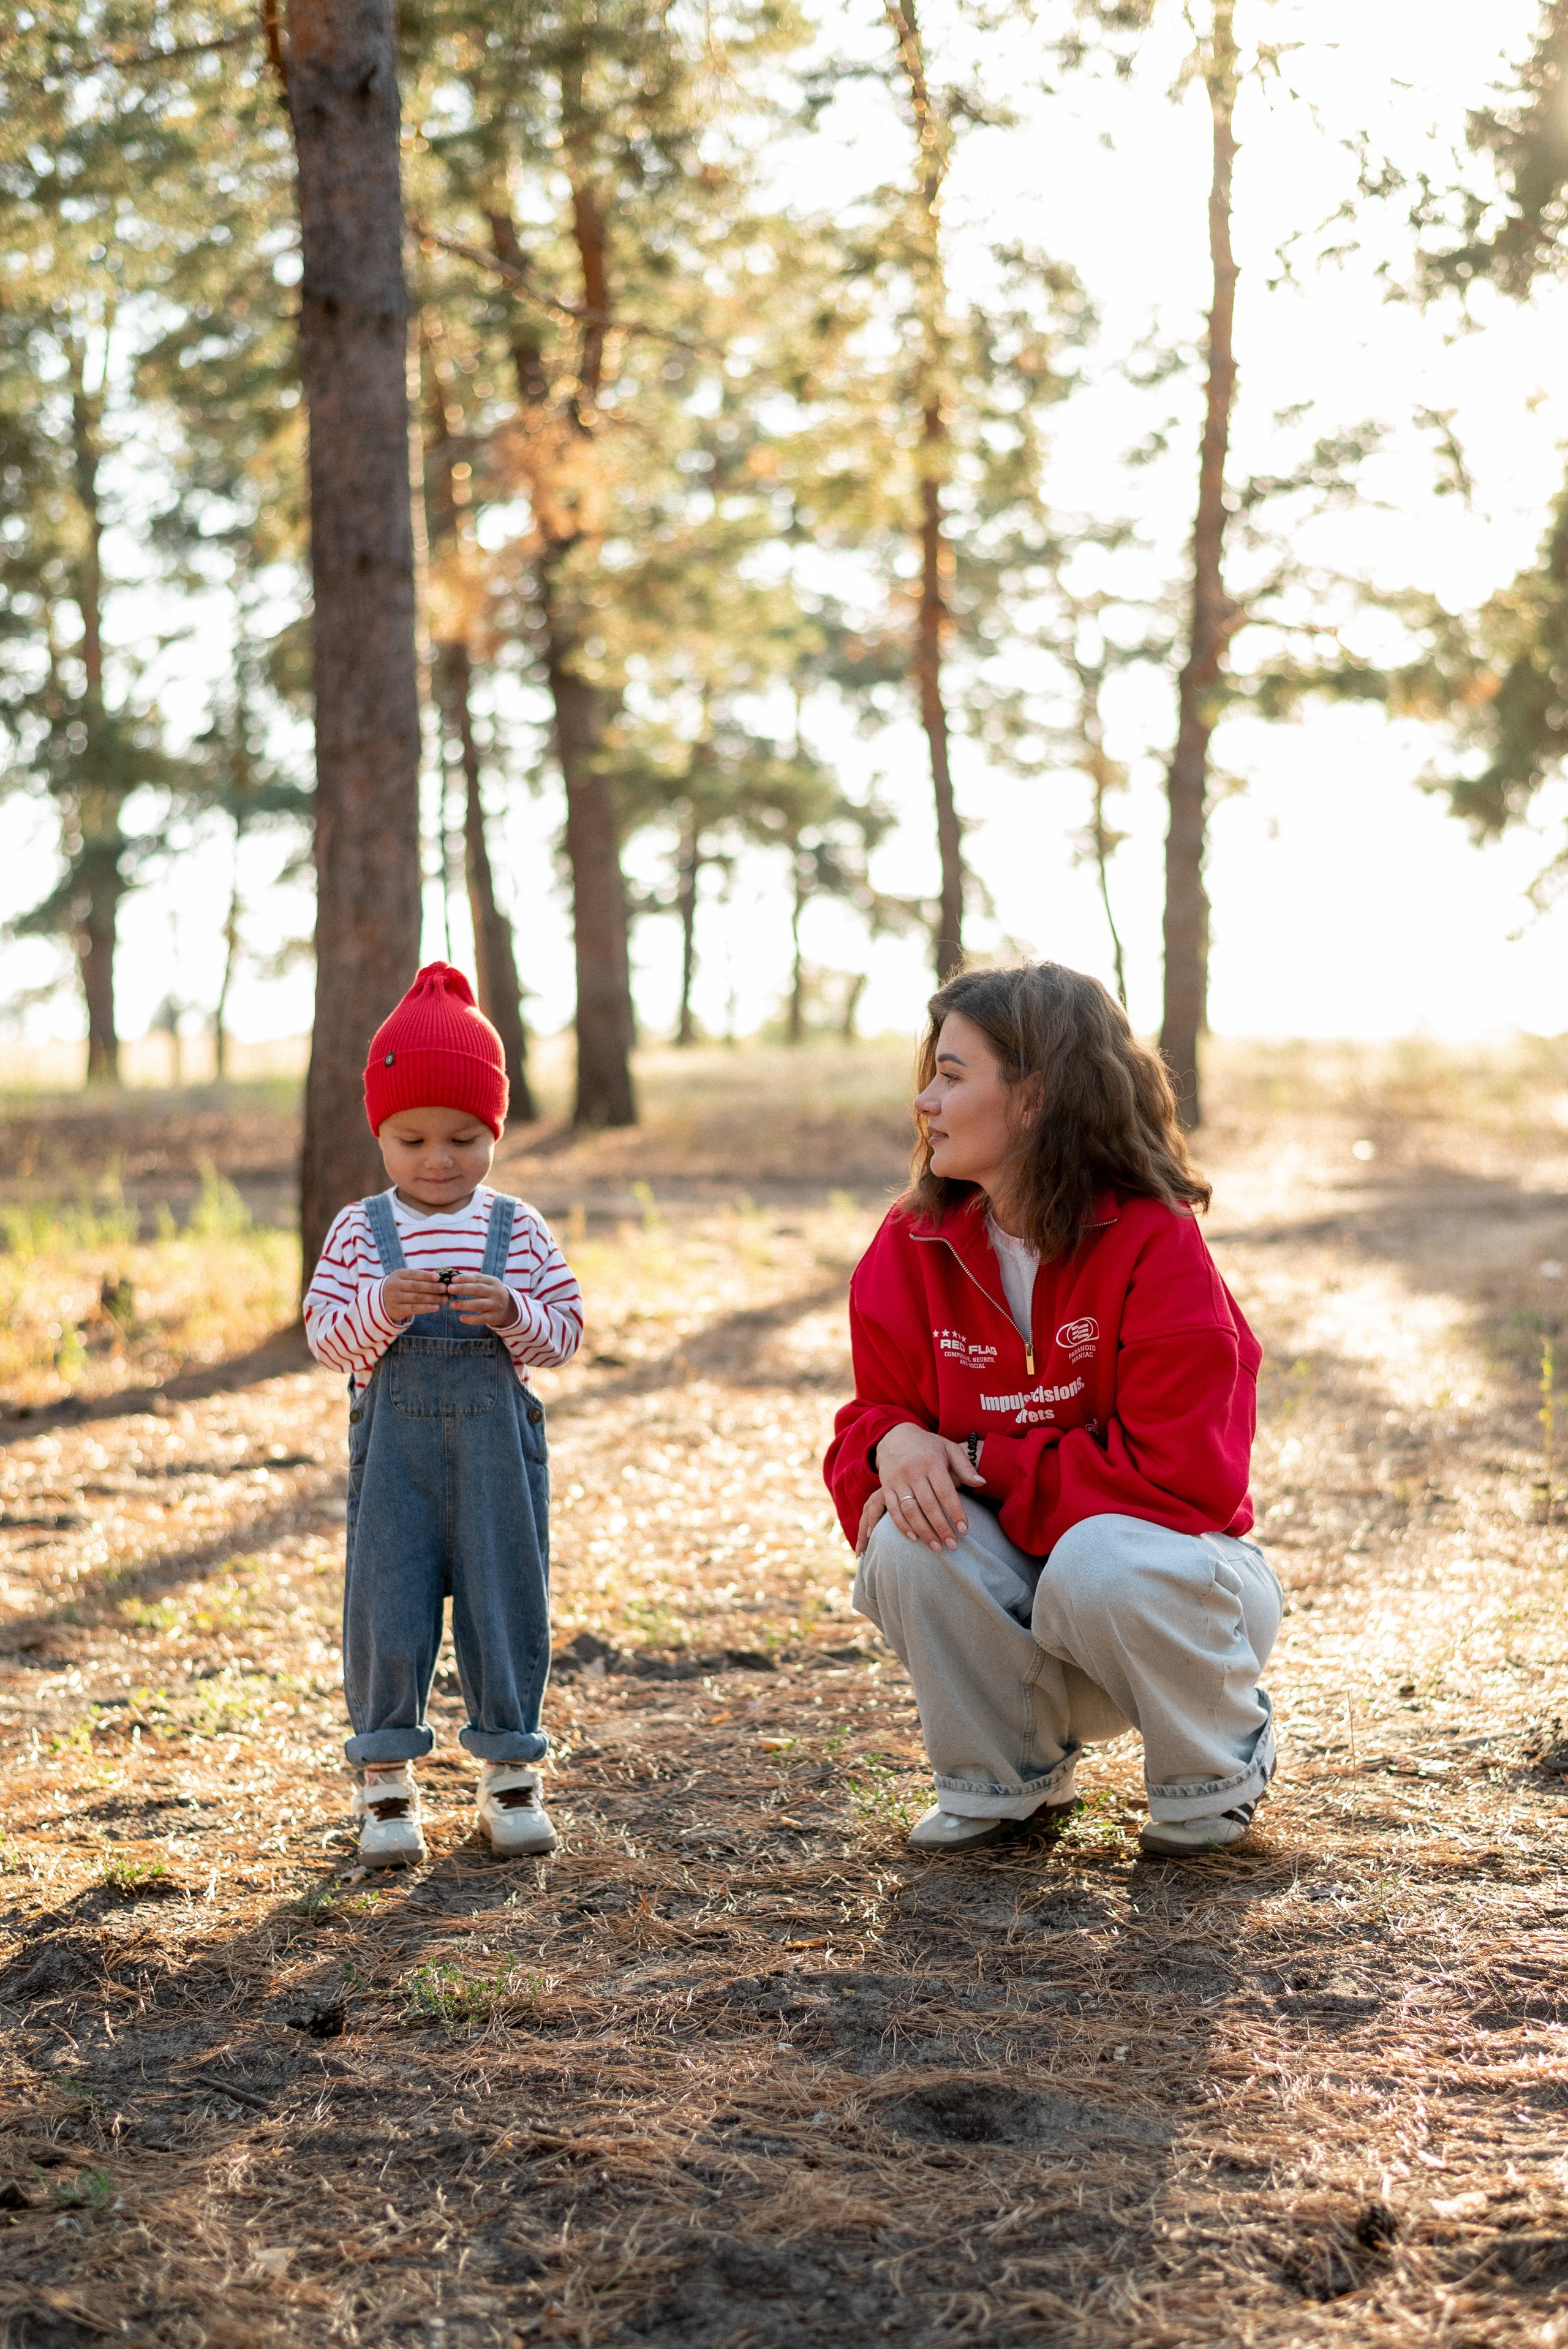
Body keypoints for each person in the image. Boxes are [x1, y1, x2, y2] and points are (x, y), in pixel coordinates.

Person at [824, 961, 1278, 1859]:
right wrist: (891, 1443)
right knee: (913, 1536)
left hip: (1165, 1610)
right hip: (1007, 1627)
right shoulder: (909, 1243)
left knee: (1097, 1556)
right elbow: (872, 1418)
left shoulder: (1154, 1238)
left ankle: (1214, 1773)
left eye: (952, 1076)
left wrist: (976, 1458)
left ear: (1035, 1096)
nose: (925, 1101)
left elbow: (1184, 1478)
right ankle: (1004, 1783)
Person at [304, 962, 584, 1868]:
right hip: (397, 1459)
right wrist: (380, 1307)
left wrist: (514, 1313)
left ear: (494, 1129)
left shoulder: (519, 1228)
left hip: (497, 1452)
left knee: (507, 1603)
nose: (438, 1159)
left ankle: (511, 1779)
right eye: (412, 1138)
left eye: (464, 1137)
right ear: (379, 1132)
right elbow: (327, 1338)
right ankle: (386, 1785)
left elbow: (565, 1334)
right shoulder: (359, 1231)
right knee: (387, 1608)